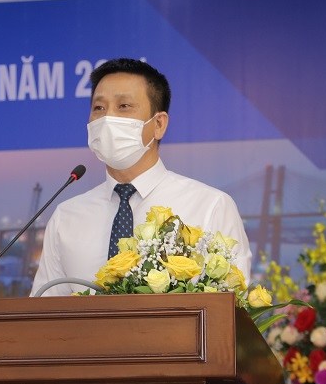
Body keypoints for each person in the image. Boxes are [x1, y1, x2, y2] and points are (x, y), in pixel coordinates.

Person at [30, 59, 251, 296]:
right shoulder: (66, 217)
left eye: (124, 106)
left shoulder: (210, 207)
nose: (107, 118)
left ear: (159, 124)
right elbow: (44, 311)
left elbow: (230, 306)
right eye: (99, 108)